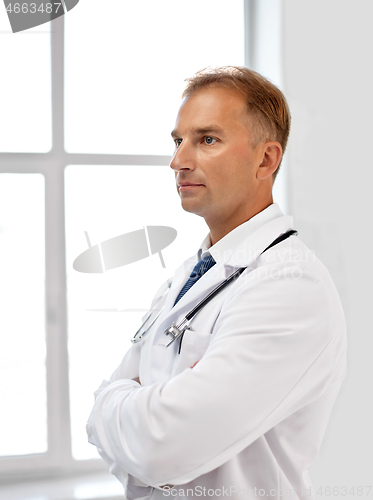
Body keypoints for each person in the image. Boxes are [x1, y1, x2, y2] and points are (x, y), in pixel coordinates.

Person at [86, 66, 347, 500]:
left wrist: (124, 405)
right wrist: (129, 409)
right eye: (177, 141)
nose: (178, 161)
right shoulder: (191, 274)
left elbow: (158, 447)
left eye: (207, 140)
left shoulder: (291, 286)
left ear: (266, 159)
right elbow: (109, 420)